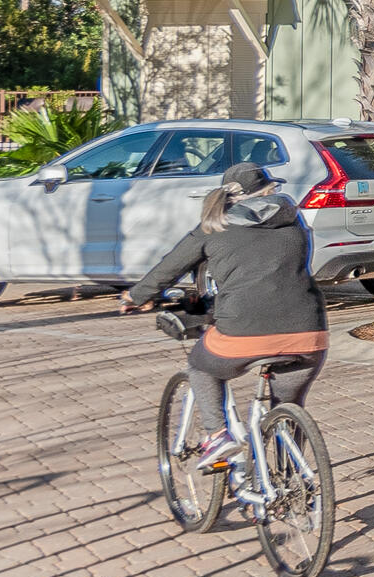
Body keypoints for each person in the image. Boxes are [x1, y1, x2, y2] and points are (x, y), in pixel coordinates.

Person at [122, 164, 326, 470]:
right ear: (268, 191)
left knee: (201, 367)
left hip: (241, 334)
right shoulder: (293, 221)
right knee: (287, 406)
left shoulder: (212, 227)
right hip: (308, 334)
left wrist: (135, 297)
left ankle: (217, 435)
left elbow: (169, 268)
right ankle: (290, 479)